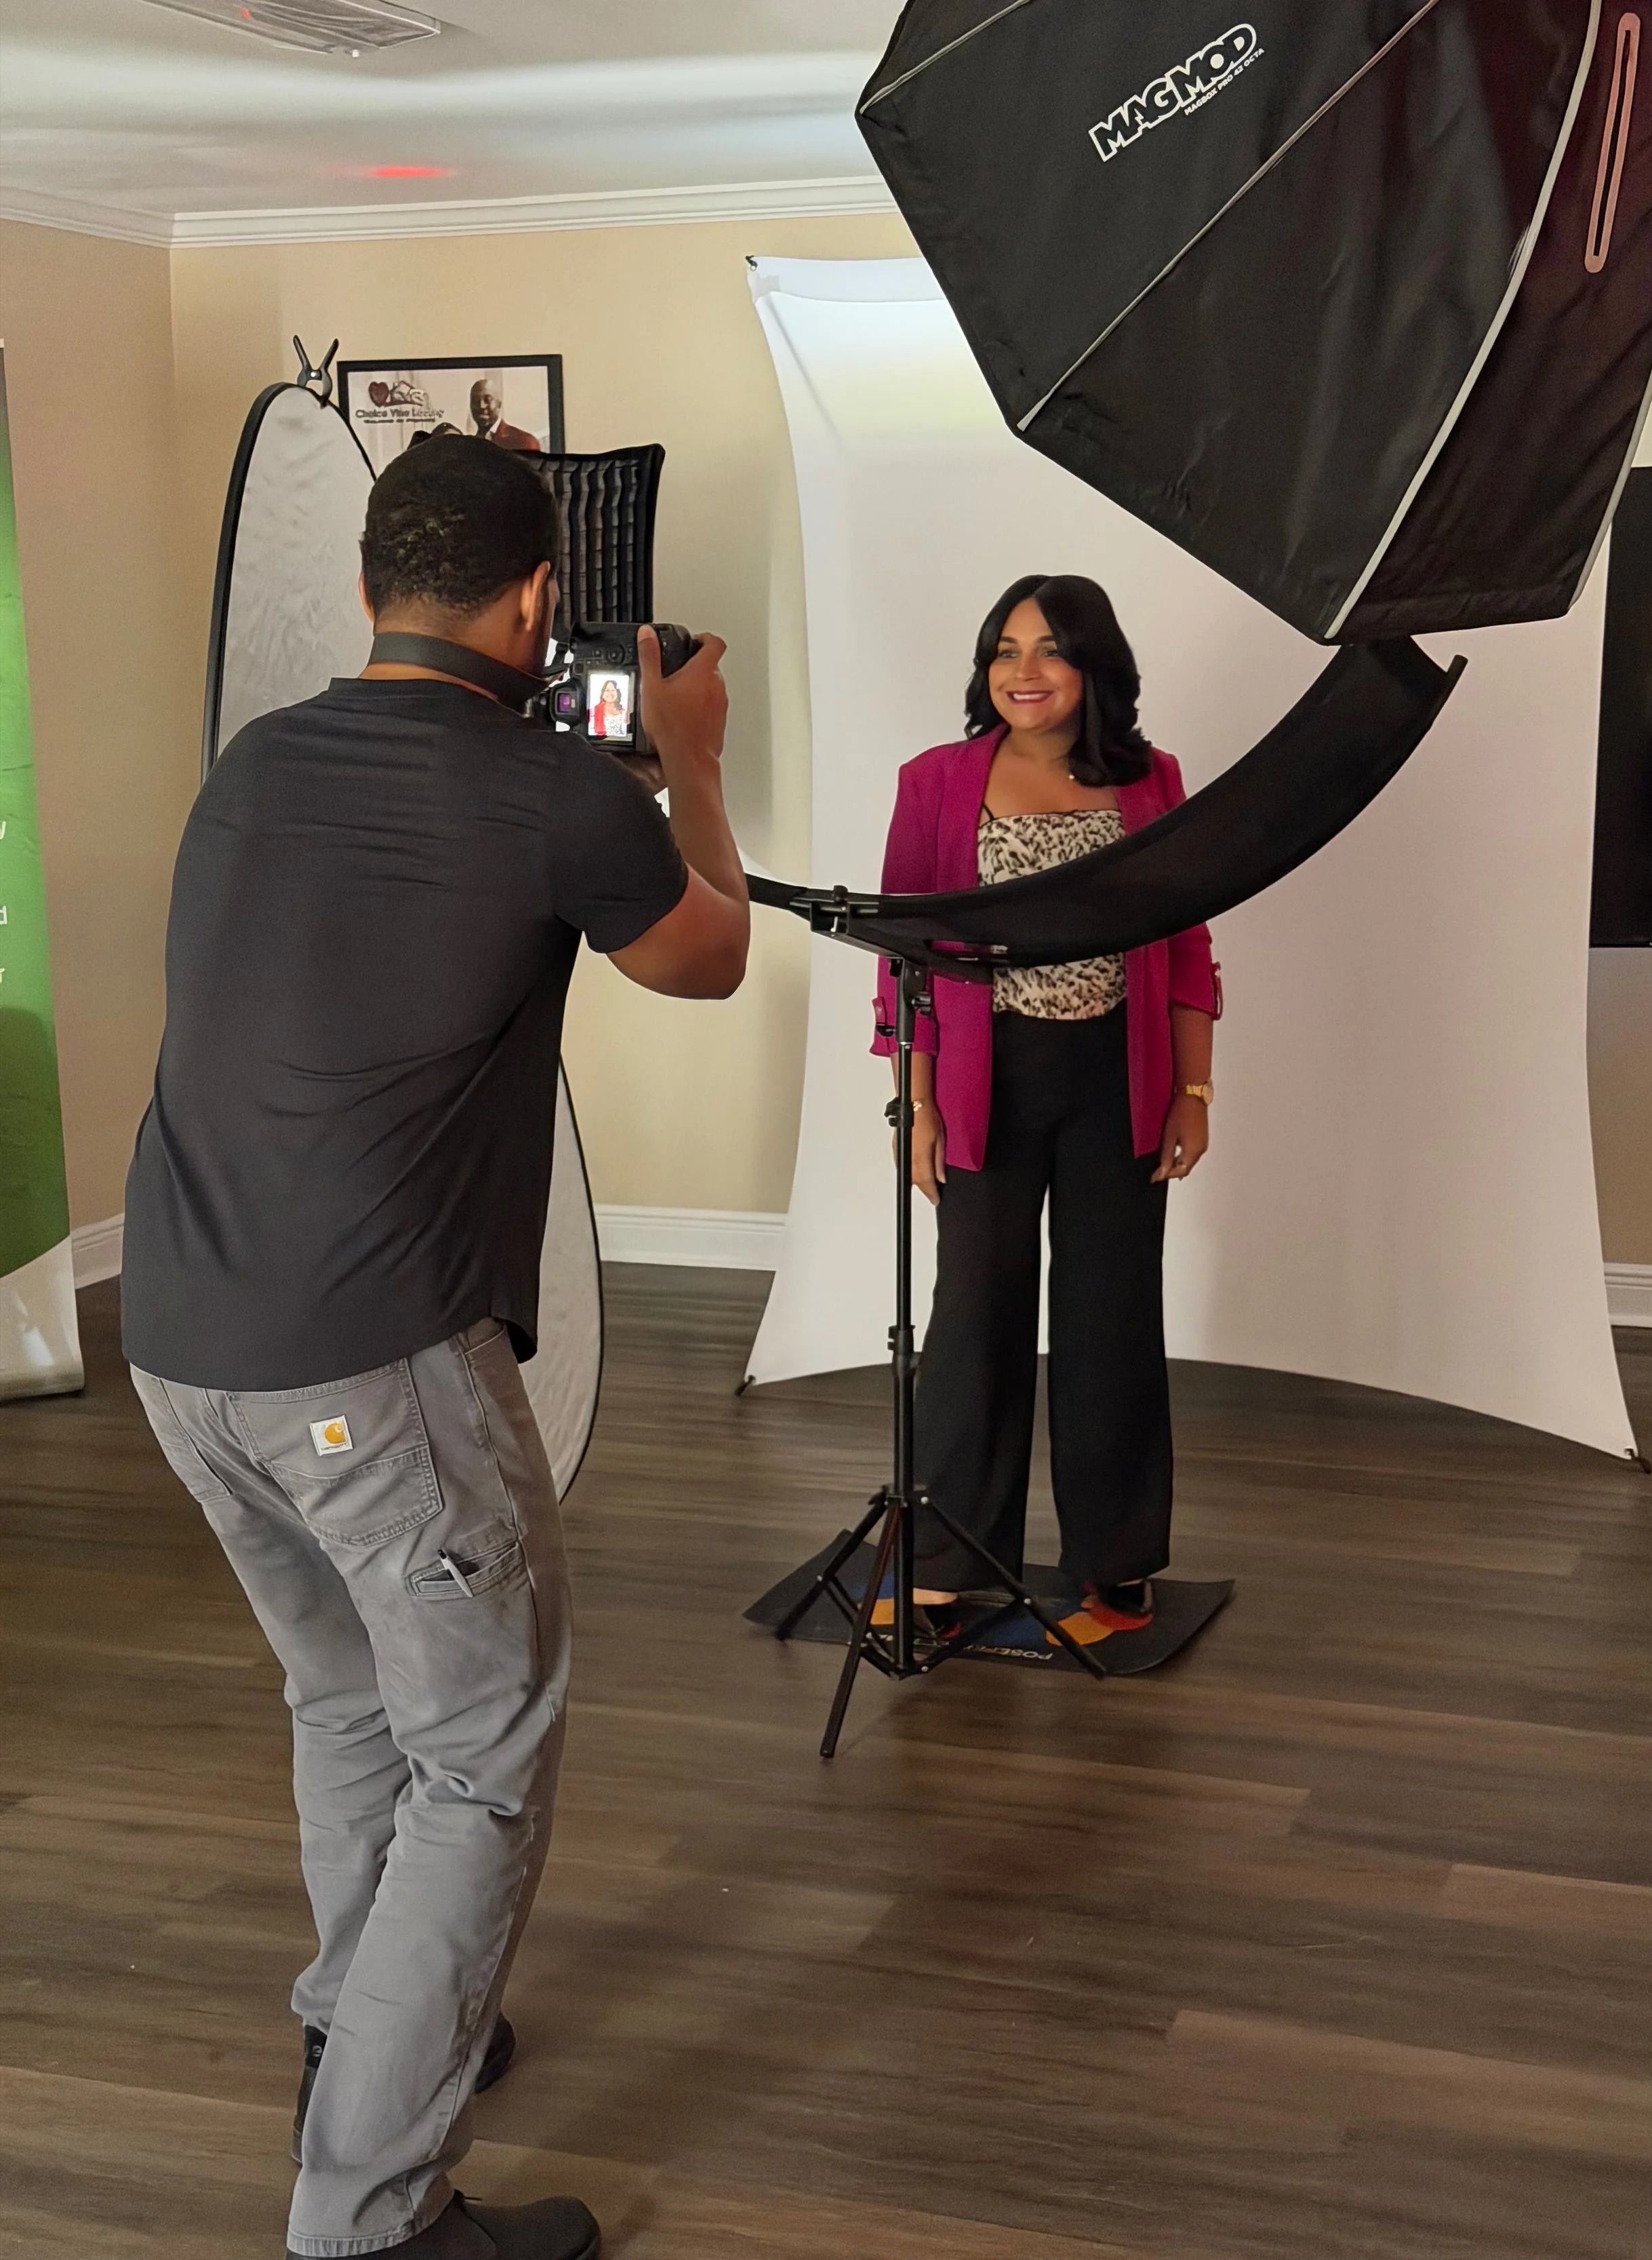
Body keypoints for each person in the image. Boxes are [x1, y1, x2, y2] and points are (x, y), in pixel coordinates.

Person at [122, 436, 748, 2260]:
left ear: (380, 583)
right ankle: (372, 2213)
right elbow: (702, 960)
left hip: (180, 1342)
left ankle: (367, 2024)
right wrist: (689, 754)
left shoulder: (254, 766)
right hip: (364, 1368)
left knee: (347, 1703)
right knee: (481, 1749)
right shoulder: (559, 789)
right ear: (542, 603)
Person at [872, 574, 1221, 1646]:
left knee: (1111, 1315)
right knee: (975, 1307)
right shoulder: (935, 782)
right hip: (987, 1080)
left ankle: (1115, 1570)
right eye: (1005, 650)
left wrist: (1196, 1091)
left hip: (1120, 1076)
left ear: (1095, 668)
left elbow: (1190, 948)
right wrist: (918, 1106)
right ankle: (943, 1560)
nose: (1024, 672)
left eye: (1051, 650)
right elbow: (905, 962)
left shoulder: (1153, 783)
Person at [468, 376, 540, 452]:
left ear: (499, 404)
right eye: (476, 400)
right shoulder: (469, 446)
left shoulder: (524, 441)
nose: (481, 406)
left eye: (488, 399)